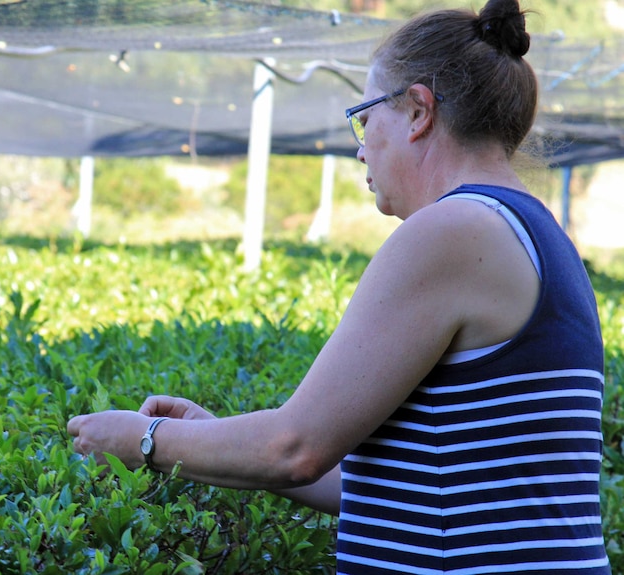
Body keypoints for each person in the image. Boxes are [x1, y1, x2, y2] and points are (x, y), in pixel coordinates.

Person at [68, 0, 612, 572]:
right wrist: (213, 440)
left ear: (418, 112)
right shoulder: (532, 231)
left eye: (366, 116)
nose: (359, 146)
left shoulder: (454, 230)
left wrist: (142, 439)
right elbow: (382, 479)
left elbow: (294, 449)